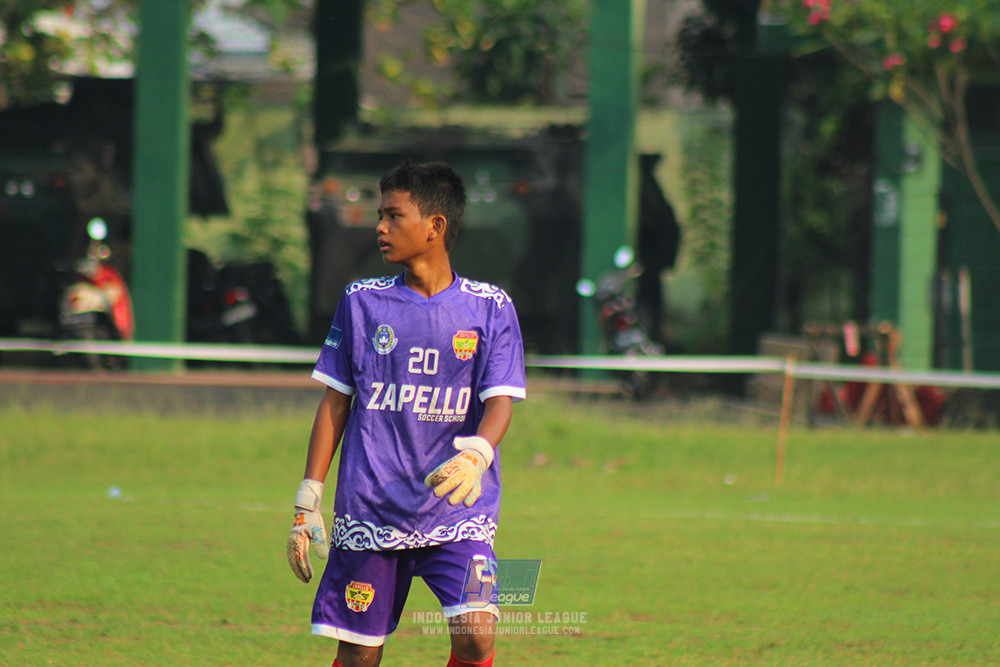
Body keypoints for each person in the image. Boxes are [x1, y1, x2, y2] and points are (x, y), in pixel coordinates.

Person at [287, 161, 526, 667]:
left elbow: (500, 400)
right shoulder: (361, 302)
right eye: (380, 215)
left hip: (458, 508)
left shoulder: (490, 307)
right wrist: (308, 498)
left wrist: (477, 456)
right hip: (373, 506)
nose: (380, 226)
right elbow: (335, 401)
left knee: (477, 634)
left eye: (394, 216)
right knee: (359, 655)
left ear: (435, 227)